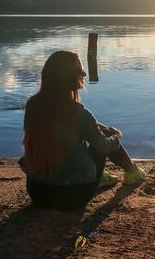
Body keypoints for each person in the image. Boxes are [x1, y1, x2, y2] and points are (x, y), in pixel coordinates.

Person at [19, 50, 146, 210]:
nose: (84, 73)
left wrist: (98, 126)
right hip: (73, 196)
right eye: (79, 70)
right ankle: (131, 172)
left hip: (38, 193)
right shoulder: (76, 111)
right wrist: (116, 136)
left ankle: (101, 177)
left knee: (80, 140)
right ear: (65, 76)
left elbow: (68, 123)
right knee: (106, 137)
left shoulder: (33, 104)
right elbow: (105, 146)